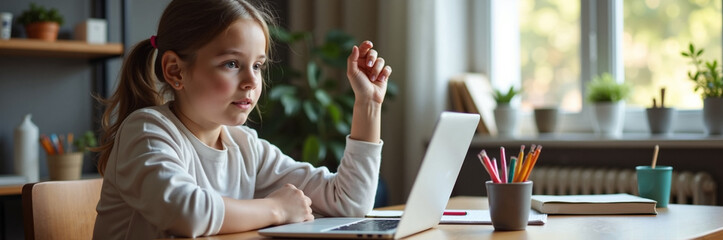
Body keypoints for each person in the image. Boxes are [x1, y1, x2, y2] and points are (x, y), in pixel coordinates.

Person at [91, 0, 392, 238]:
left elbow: (348, 202)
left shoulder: (245, 145)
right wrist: (276, 208)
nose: (251, 81)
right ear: (175, 70)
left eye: (258, 66)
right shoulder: (146, 131)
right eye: (232, 63)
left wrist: (368, 103)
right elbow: (185, 213)